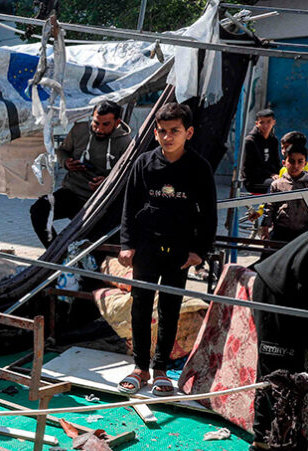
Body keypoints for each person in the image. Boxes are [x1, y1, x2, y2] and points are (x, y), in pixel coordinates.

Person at [118, 102, 217, 396]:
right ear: (155, 133)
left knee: (170, 308)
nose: (167, 137)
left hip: (179, 251)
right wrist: (127, 245)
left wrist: (199, 251)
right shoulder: (144, 163)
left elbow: (208, 214)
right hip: (146, 248)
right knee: (140, 306)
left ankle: (160, 368)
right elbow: (129, 207)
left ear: (189, 133)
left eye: (175, 131)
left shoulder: (199, 168)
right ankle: (140, 368)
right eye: (162, 131)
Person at [245, 231, 308, 451]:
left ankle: (261, 446)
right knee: (281, 378)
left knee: (274, 373)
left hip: (292, 293)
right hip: (278, 292)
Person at [29, 100, 133, 247]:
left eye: (105, 125)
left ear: (117, 123)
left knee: (97, 240)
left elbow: (128, 175)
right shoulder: (79, 130)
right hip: (73, 192)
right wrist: (66, 162)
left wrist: (107, 182)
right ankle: (57, 253)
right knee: (39, 211)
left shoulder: (125, 142)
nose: (99, 129)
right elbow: (62, 151)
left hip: (100, 201)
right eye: (96, 123)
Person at [264, 145, 308, 242]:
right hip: (281, 231)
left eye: (300, 161)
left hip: (304, 233)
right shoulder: (277, 184)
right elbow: (269, 208)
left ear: (305, 163)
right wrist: (265, 229)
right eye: (291, 161)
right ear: (284, 163)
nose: (295, 166)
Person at [242, 108, 280, 194]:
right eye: (262, 122)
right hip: (254, 181)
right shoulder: (250, 141)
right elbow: (249, 169)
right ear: (256, 123)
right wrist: (270, 174)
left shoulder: (273, 140)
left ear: (274, 122)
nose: (265, 126)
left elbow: (276, 162)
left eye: (268, 122)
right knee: (277, 185)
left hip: (271, 177)